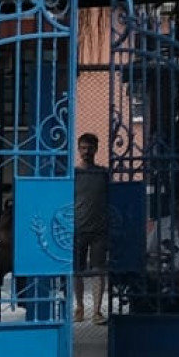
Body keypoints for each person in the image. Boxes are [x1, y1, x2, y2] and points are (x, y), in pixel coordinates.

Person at [73, 132, 111, 323]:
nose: (86, 151)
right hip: (78, 229)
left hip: (99, 230)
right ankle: (79, 307)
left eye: (90, 148)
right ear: (78, 149)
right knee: (77, 271)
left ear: (96, 149)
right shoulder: (74, 174)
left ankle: (96, 311)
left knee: (98, 270)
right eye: (83, 148)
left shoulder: (103, 174)